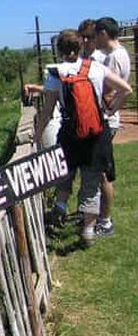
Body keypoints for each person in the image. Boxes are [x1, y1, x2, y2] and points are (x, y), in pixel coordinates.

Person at [35, 30, 132, 246]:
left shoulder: (55, 74)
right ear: (80, 47)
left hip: (70, 134)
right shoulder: (96, 68)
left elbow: (48, 110)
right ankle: (88, 231)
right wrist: (109, 110)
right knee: (91, 183)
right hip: (97, 134)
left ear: (59, 50)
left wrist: (37, 135)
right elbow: (126, 89)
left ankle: (59, 208)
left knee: (64, 174)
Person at [93, 17, 132, 235]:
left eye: (96, 35)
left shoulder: (114, 57)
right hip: (108, 118)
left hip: (106, 120)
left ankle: (105, 221)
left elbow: (109, 90)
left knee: (103, 173)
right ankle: (100, 215)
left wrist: (109, 110)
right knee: (100, 170)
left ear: (103, 33)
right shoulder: (120, 53)